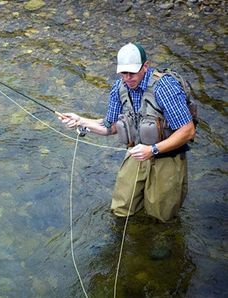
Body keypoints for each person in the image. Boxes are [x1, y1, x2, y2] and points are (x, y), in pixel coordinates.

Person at [59, 42, 196, 223]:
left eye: (133, 73)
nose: (128, 78)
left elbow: (187, 131)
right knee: (121, 208)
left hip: (167, 156)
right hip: (137, 153)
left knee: (161, 216)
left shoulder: (165, 88)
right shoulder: (119, 88)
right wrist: (81, 121)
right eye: (124, 73)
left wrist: (152, 150)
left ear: (145, 66)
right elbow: (111, 126)